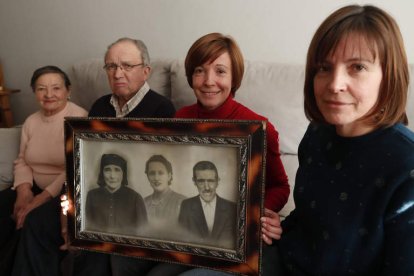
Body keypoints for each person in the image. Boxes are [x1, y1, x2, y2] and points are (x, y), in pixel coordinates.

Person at [270, 4, 414, 275]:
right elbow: (309, 218)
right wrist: (279, 227)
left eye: (357, 67)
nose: (334, 84)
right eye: (324, 68)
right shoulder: (316, 134)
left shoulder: (406, 165)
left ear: (388, 76)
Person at [145, 32, 289, 275]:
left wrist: (254, 213)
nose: (208, 81)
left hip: (236, 239)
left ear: (235, 78)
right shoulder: (179, 119)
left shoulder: (259, 127)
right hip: (189, 233)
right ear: (191, 77)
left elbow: (280, 186)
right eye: (200, 71)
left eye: (220, 71)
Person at [70, 37, 180, 276]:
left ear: (146, 71)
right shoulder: (99, 106)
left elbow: (157, 163)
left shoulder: (162, 109)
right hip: (100, 207)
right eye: (111, 66)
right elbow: (87, 159)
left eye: (127, 66)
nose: (118, 73)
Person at [0, 65, 87, 276]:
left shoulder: (80, 118)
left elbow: (75, 166)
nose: (49, 95)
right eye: (41, 89)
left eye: (56, 88)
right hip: (33, 187)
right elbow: (23, 161)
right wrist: (23, 192)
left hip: (63, 192)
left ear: (68, 90)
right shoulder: (31, 121)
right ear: (34, 92)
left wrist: (40, 199)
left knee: (32, 219)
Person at [178, 161, 236, 249]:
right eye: (201, 181)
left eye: (211, 181)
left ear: (217, 181)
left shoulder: (232, 208)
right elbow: (181, 241)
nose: (207, 187)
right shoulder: (186, 206)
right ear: (194, 182)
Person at [85, 153, 147, 235]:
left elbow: (143, 231)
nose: (112, 176)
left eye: (117, 170)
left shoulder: (135, 198)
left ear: (123, 173)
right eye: (107, 170)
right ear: (102, 173)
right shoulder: (92, 195)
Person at [144, 155, 186, 227]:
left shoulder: (183, 202)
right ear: (147, 177)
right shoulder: (142, 203)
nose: (156, 178)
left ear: (169, 176)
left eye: (161, 173)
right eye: (152, 173)